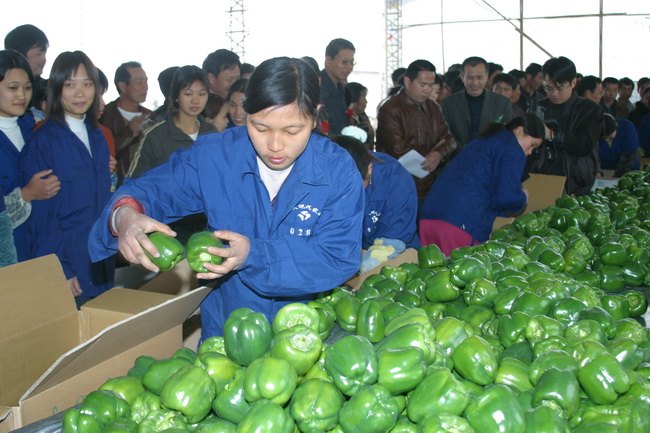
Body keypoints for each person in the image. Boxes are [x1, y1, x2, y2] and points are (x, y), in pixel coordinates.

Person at [88, 57, 364, 339]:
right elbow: (150, 190)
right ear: (245, 112)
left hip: (304, 331)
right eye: (260, 128)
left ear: (315, 116)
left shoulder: (336, 170)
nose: (275, 145)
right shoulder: (216, 156)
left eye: (293, 130)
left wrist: (254, 255)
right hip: (227, 327)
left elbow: (337, 255)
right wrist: (125, 214)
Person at [20, 51, 114, 304]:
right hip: (69, 260)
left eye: (87, 84)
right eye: (70, 85)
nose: (80, 93)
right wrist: (61, 268)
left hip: (100, 256)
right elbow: (42, 215)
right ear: (57, 88)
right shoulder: (45, 140)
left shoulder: (97, 135)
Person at [420, 114, 546, 254]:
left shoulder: (484, 140)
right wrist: (522, 198)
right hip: (461, 222)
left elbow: (488, 190)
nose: (529, 152)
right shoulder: (512, 148)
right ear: (519, 131)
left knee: (431, 273)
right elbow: (507, 197)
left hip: (429, 217)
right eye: (532, 145)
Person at [0, 49, 60, 261]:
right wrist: (25, 195)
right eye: (13, 88)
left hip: (39, 246)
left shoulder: (33, 127)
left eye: (27, 87)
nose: (22, 95)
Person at [376, 59, 456, 201]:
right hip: (398, 184)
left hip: (429, 186)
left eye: (431, 85)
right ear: (407, 81)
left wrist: (438, 154)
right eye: (422, 84)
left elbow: (449, 140)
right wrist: (427, 162)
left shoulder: (434, 108)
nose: (427, 90)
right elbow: (397, 148)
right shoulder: (390, 108)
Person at [527, 56, 603, 196]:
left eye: (559, 88)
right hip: (540, 179)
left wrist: (552, 135)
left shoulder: (589, 109)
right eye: (548, 88)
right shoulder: (538, 108)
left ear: (573, 82)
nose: (554, 94)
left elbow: (583, 145)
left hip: (575, 183)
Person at [332, 128, 419, 250]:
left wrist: (373, 261)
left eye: (353, 188)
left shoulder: (395, 179)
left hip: (396, 253)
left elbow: (396, 237)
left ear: (369, 170)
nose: (346, 195)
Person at [129, 65, 216, 178]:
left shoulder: (211, 132)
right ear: (176, 96)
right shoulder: (156, 135)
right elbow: (136, 181)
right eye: (188, 94)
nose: (195, 100)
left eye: (202, 94)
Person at [441, 56, 512, 153]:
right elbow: (445, 135)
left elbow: (507, 134)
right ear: (462, 78)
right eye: (470, 78)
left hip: (490, 157)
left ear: (487, 77)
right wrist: (464, 148)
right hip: (458, 157)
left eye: (479, 78)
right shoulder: (448, 103)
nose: (475, 83)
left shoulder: (503, 102)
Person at [100, 61, 152, 184]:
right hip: (118, 190)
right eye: (139, 82)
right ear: (123, 86)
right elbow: (103, 155)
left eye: (146, 81)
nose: (145, 86)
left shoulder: (152, 116)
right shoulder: (104, 116)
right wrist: (129, 133)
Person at [4, 24, 49, 120]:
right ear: (18, 54)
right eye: (38, 54)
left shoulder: (48, 89)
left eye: (28, 88)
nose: (44, 59)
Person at [320, 38, 356, 134]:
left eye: (352, 62)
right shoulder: (319, 88)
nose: (349, 67)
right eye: (344, 62)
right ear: (328, 60)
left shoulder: (341, 88)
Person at [345, 82, 375, 149]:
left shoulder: (363, 117)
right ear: (354, 100)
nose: (366, 102)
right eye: (364, 98)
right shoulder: (346, 120)